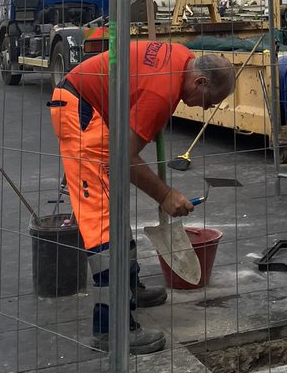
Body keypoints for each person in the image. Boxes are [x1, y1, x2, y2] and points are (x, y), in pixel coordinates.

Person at [48, 41, 235, 354]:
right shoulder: (162, 93)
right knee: (100, 218)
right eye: (209, 101)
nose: (203, 109)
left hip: (92, 105)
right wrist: (165, 194)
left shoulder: (183, 56)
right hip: (81, 109)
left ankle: (130, 287)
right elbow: (122, 156)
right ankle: (111, 328)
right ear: (200, 81)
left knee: (114, 204)